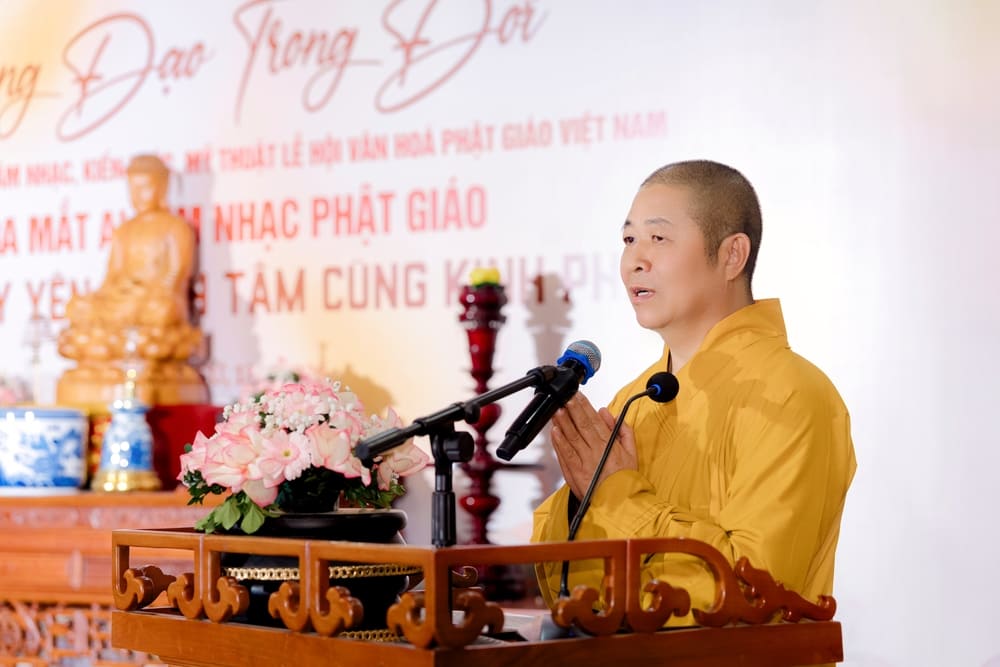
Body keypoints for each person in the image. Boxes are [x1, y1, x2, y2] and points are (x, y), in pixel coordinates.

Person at [531, 160, 856, 624]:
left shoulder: (795, 395)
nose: (634, 261)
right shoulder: (633, 401)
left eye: (657, 239)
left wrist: (615, 494)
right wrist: (582, 500)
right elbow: (574, 592)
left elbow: (748, 594)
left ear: (731, 256)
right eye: (628, 240)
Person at [56, 154, 207, 406]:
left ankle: (128, 352)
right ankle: (106, 355)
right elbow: (112, 277)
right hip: (124, 301)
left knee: (161, 310)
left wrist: (143, 294)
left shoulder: (176, 227)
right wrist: (113, 293)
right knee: (80, 308)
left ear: (161, 188)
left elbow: (176, 277)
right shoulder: (124, 231)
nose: (138, 195)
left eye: (144, 188)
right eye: (133, 189)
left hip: (154, 302)